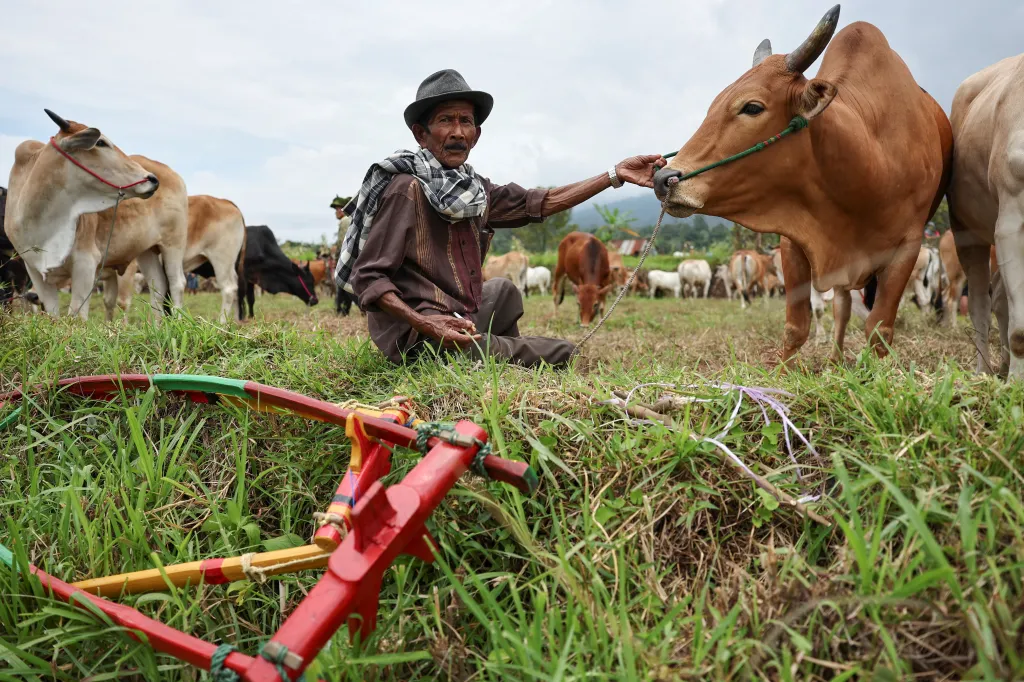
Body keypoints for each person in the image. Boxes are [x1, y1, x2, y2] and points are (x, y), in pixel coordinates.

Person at [339, 69, 664, 367]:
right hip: (419, 337)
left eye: (465, 121)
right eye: (445, 120)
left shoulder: (476, 191)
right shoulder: (405, 189)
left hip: (457, 318)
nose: (457, 132)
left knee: (504, 290)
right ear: (421, 134)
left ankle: (493, 356)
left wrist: (614, 175)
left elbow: (543, 201)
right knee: (564, 353)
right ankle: (491, 356)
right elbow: (368, 278)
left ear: (476, 135)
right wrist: (425, 322)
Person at [330, 195, 358, 316]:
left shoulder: (344, 221)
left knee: (344, 284)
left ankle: (343, 311)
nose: (337, 212)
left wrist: (337, 262)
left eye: (339, 209)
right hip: (355, 257)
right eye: (336, 209)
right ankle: (342, 311)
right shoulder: (354, 218)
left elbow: (342, 243)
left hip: (346, 258)